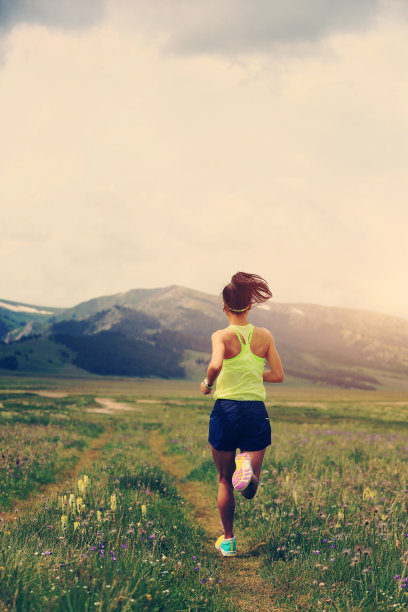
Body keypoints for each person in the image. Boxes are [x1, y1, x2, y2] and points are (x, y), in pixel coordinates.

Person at [200, 272, 284, 557]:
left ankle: (228, 540)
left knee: (224, 479)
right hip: (254, 411)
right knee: (248, 487)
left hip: (226, 410)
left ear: (225, 307)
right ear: (249, 306)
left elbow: (214, 365)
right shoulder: (264, 336)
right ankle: (246, 471)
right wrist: (252, 374)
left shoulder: (221, 335)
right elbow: (278, 375)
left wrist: (207, 383)